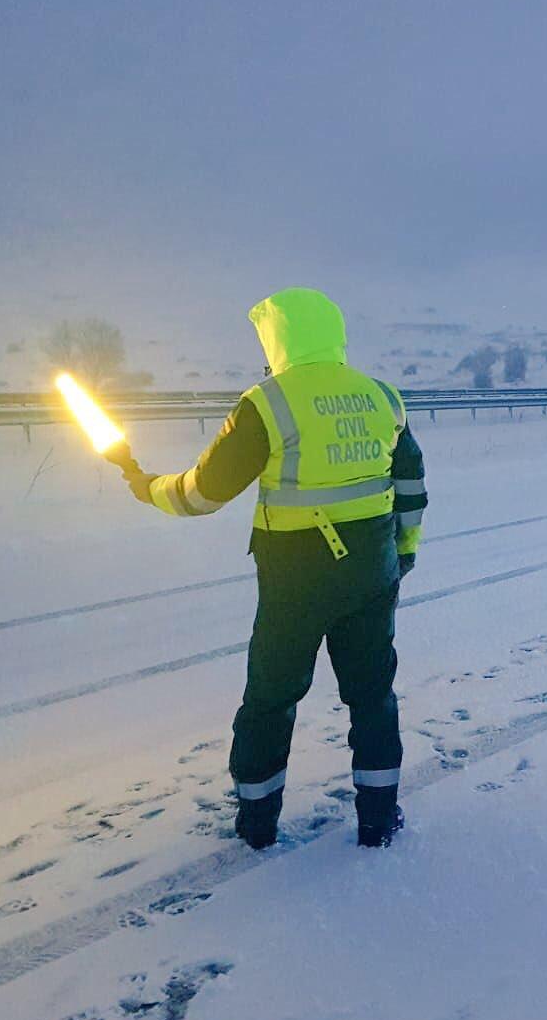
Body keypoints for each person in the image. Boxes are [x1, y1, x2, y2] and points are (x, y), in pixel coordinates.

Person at [124, 287, 427, 850]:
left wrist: (148, 488)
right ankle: (379, 820)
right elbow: (410, 483)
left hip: (295, 582)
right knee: (372, 696)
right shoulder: (383, 397)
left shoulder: (268, 402)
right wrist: (403, 551)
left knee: (271, 697)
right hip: (373, 572)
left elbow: (202, 494)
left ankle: (258, 823)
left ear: (278, 341)